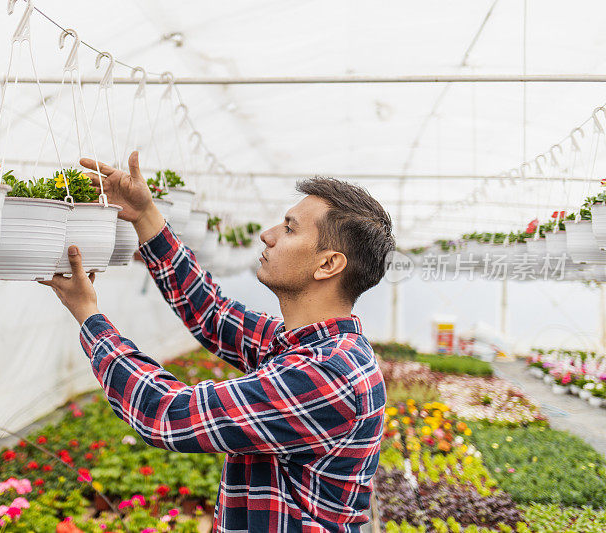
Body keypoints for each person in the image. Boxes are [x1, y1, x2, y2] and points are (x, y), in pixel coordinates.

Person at [44, 151, 393, 533]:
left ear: (328, 264)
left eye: (290, 229)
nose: (268, 234)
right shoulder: (306, 347)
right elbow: (212, 314)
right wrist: (145, 215)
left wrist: (89, 317)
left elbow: (166, 413)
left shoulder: (327, 375)